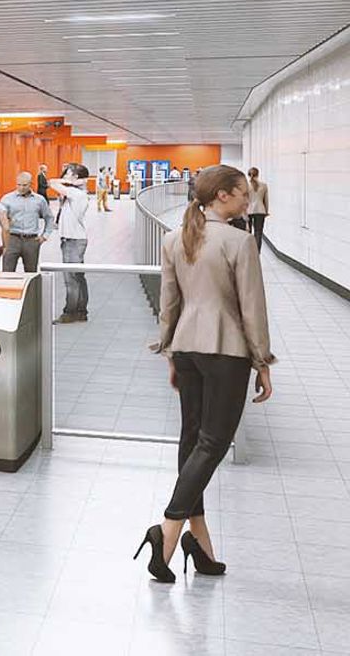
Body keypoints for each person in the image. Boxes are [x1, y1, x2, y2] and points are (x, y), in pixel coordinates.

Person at [137, 165, 273, 583]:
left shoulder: (175, 238)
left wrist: (169, 350)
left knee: (193, 439)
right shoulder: (240, 241)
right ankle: (169, 529)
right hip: (226, 351)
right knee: (213, 443)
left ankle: (201, 544)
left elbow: (169, 302)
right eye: (242, 194)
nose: (248, 201)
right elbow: (252, 308)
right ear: (221, 197)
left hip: (187, 348)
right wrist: (262, 361)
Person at [50, 164, 94, 324]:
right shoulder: (74, 194)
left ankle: (70, 312)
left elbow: (52, 182)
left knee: (71, 279)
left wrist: (73, 182)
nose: (66, 177)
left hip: (73, 241)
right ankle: (81, 311)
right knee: (78, 277)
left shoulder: (77, 193)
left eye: (69, 174)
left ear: (77, 177)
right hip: (72, 239)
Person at [0, 171, 50, 273]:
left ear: (31, 184)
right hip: (12, 239)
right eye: (19, 185)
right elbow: (0, 220)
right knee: (7, 271)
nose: (21, 188)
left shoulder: (39, 200)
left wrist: (45, 236)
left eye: (25, 185)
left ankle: (31, 289)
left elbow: (49, 218)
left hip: (32, 240)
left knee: (31, 273)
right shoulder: (6, 199)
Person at [246, 167, 269, 248]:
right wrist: (266, 211)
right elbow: (265, 200)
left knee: (248, 232)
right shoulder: (264, 185)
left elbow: (244, 200)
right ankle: (257, 252)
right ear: (258, 174)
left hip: (248, 211)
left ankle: (249, 250)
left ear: (248, 175)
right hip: (260, 211)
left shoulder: (246, 186)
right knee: (258, 232)